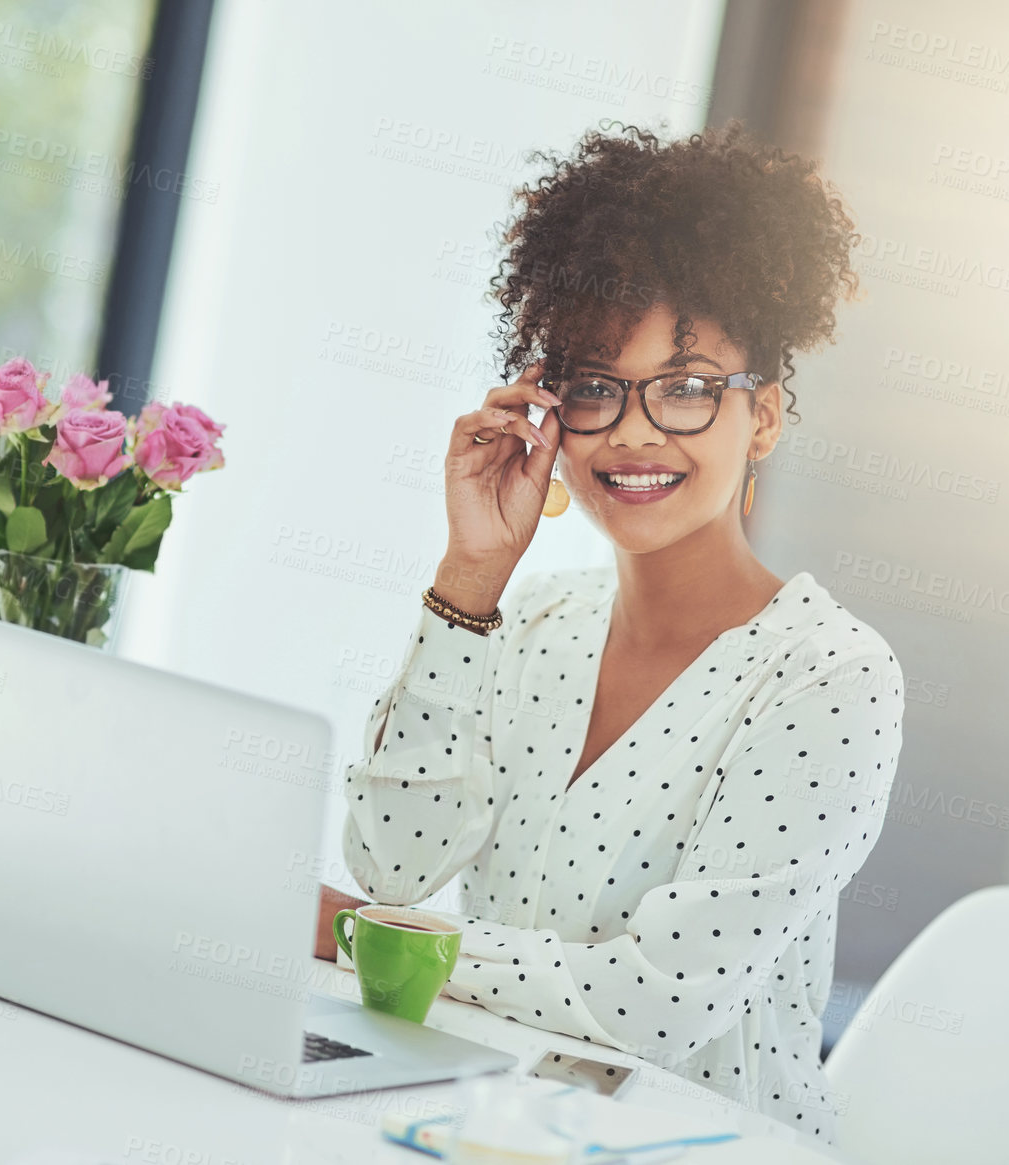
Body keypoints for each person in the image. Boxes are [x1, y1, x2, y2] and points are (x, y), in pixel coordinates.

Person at [316, 120, 904, 1145]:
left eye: (684, 388)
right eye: (592, 386)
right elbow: (391, 864)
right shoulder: (530, 620)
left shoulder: (830, 679)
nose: (632, 432)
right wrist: (468, 576)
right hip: (493, 1122)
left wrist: (365, 941)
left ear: (761, 417)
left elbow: (655, 1004)